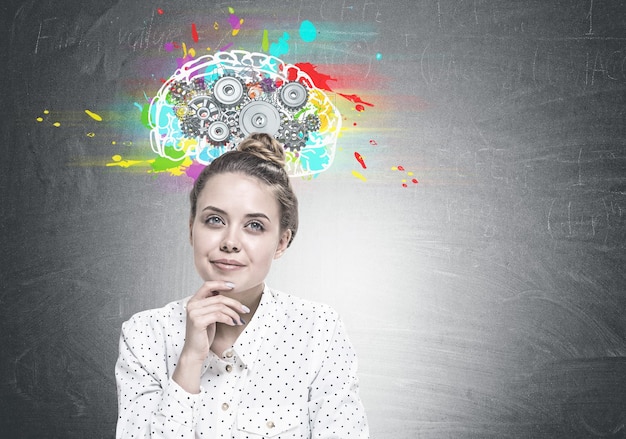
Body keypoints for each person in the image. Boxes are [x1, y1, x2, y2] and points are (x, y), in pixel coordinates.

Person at [115, 133, 369, 438]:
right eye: (214, 221)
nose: (231, 242)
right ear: (191, 229)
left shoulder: (318, 331)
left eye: (254, 226)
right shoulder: (144, 335)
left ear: (282, 242)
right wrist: (190, 359)